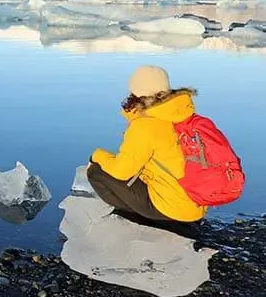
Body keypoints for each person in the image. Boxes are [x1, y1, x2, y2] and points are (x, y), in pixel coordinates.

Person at [87, 65, 207, 228]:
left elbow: (122, 172)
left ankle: (139, 222)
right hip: (196, 205)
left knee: (96, 171)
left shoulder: (145, 125)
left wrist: (97, 155)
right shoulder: (183, 115)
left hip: (173, 210)